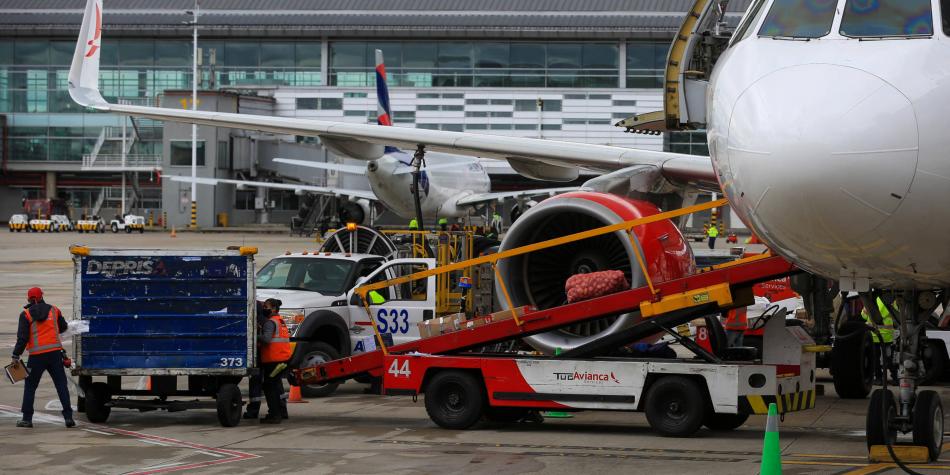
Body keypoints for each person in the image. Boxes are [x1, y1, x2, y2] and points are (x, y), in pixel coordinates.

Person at [12, 287, 74, 428]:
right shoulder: (54, 310)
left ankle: (27, 419)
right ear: (42, 297)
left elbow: (22, 338)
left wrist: (16, 354)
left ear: (29, 299)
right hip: (54, 355)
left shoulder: (26, 314)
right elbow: (63, 327)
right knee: (61, 386)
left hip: (36, 357)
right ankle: (68, 418)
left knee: (30, 387)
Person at [257, 298, 292, 423]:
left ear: (273, 309)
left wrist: (253, 335)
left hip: (274, 361)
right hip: (283, 359)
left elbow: (266, 339)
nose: (263, 309)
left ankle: (274, 415)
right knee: (275, 385)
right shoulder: (280, 321)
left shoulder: (270, 322)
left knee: (269, 386)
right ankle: (282, 412)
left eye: (266, 306)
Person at [861, 296, 898, 384]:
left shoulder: (870, 300)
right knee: (889, 359)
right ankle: (895, 378)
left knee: (875, 359)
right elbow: (896, 315)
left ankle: (878, 379)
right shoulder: (892, 301)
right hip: (887, 336)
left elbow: (863, 316)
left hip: (875, 335)